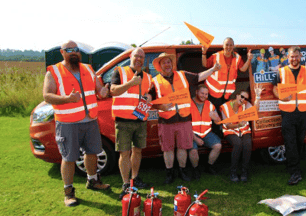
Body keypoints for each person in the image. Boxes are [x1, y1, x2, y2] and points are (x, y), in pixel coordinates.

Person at [43, 40, 110, 207]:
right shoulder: (54, 72)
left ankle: (93, 181)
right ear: (62, 52)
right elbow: (47, 96)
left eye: (76, 50)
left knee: (92, 152)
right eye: (69, 50)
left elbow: (98, 89)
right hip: (68, 123)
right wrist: (67, 99)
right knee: (69, 158)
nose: (74, 52)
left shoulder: (87, 68)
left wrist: (103, 91)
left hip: (91, 119)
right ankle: (68, 192)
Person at [151, 53, 221, 184]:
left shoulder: (183, 75)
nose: (167, 64)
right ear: (159, 66)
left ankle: (182, 171)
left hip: (184, 120)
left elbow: (199, 76)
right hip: (166, 121)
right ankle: (170, 173)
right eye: (164, 62)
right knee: (168, 149)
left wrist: (213, 70)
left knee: (182, 148)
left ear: (172, 64)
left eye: (169, 62)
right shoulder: (154, 81)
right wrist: (160, 105)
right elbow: (149, 101)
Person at [271, 46, 306, 185]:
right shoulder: (281, 71)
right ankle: (295, 172)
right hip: (287, 112)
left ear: (300, 57)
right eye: (292, 56)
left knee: (299, 141)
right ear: (288, 57)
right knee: (290, 142)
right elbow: (274, 88)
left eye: (296, 56)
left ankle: (293, 165)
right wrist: (281, 97)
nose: (294, 59)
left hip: (302, 112)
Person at [110, 47, 153, 199]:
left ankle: (135, 178)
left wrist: (149, 97)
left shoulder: (148, 77)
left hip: (140, 120)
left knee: (138, 151)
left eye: (142, 56)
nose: (139, 59)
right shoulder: (120, 72)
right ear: (130, 56)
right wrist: (131, 82)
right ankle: (126, 184)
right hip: (123, 120)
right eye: (136, 56)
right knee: (124, 153)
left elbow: (150, 93)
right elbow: (113, 90)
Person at [220, 84, 264, 182]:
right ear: (237, 96)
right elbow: (227, 125)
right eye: (242, 97)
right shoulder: (225, 107)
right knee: (238, 144)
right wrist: (238, 125)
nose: (243, 99)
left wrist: (257, 96)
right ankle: (233, 172)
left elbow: (255, 110)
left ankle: (244, 172)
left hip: (244, 130)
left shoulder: (246, 104)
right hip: (230, 130)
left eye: (245, 98)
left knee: (248, 144)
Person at [201, 37, 253, 109]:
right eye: (227, 45)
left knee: (223, 114)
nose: (229, 47)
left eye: (231, 45)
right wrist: (204, 53)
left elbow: (243, 69)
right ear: (223, 46)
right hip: (212, 93)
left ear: (233, 46)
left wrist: (249, 59)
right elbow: (205, 64)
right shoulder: (216, 56)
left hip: (226, 95)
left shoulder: (237, 57)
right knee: (212, 114)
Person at [189, 84, 222, 180]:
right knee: (193, 151)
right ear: (196, 92)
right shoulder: (188, 104)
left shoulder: (210, 105)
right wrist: (195, 138)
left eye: (206, 94)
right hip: (192, 133)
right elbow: (185, 126)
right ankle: (196, 169)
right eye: (202, 93)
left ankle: (209, 166)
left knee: (218, 146)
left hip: (206, 132)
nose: (204, 96)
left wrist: (216, 118)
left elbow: (218, 121)